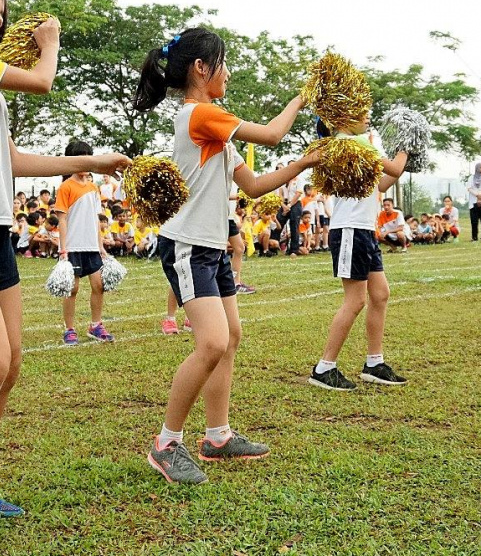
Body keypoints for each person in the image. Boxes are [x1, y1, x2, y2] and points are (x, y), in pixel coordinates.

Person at [0, 0, 130, 555]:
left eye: (3, 11)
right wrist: (50, 41)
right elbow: (43, 81)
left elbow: (13, 159)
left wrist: (90, 163)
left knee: (11, 363)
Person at [133, 26, 319, 484]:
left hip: (213, 246)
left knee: (230, 337)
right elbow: (274, 134)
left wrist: (303, 164)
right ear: (201, 69)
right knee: (212, 343)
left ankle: (217, 435)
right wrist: (303, 97)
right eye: (223, 64)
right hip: (189, 245)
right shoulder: (200, 114)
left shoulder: (216, 125)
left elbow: (253, 185)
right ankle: (165, 444)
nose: (229, 73)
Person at [308, 116, 409, 391]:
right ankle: (324, 368)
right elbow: (396, 166)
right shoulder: (354, 143)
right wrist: (407, 143)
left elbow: (382, 184)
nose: (367, 117)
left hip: (362, 230)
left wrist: (402, 157)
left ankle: (374, 363)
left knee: (380, 293)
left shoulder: (352, 145)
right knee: (355, 301)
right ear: (343, 118)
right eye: (360, 111)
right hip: (351, 230)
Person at [55, 141, 118, 346]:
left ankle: (95, 325)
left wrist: (100, 246)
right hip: (73, 246)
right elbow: (62, 219)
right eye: (80, 157)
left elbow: (94, 218)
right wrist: (63, 249)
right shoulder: (66, 187)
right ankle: (69, 329)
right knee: (71, 289)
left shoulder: (93, 187)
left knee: (99, 285)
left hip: (91, 246)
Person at [276, 162, 302, 255]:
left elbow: (298, 194)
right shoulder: (284, 180)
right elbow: (280, 195)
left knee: (294, 226)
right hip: (285, 204)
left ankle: (294, 250)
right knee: (278, 222)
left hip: (295, 204)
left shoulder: (298, 180)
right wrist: (284, 206)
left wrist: (290, 206)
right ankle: (273, 246)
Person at [466, 163, 481, 241]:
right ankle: (474, 237)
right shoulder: (471, 178)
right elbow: (469, 188)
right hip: (473, 203)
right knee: (474, 221)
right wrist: (477, 195)